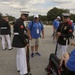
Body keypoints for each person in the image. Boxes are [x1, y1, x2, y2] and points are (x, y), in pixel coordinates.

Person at [12, 10, 30, 75]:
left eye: (26, 16)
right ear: (21, 15)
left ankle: (19, 68)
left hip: (17, 40)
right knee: (22, 56)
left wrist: (27, 36)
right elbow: (21, 34)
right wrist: (26, 42)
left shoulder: (19, 21)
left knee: (19, 55)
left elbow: (22, 32)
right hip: (19, 41)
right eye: (25, 16)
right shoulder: (20, 22)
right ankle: (23, 72)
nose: (26, 17)